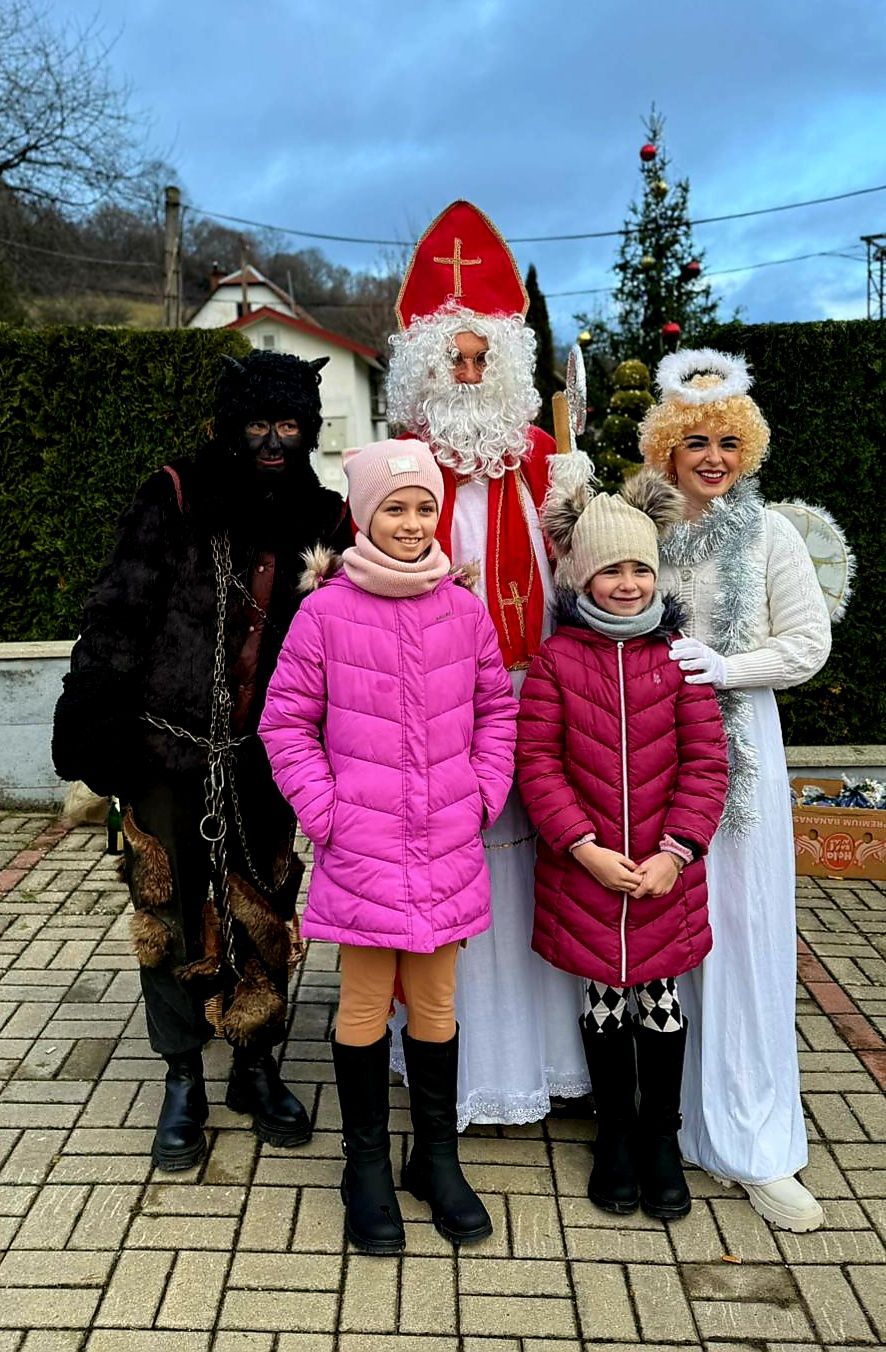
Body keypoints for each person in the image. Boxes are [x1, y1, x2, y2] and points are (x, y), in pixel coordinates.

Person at [52, 350, 351, 1171]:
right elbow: (118, 608)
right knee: (167, 910)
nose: (273, 442)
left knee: (265, 905)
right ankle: (182, 1074)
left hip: (269, 756)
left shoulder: (326, 520)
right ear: (227, 426)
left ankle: (254, 1061)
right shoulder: (175, 494)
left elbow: (357, 632)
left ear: (308, 428)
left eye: (288, 425)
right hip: (163, 745)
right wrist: (93, 715)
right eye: (257, 425)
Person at [259, 440, 517, 1253]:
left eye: (424, 507)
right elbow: (285, 722)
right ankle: (364, 1165)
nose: (411, 523)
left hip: (446, 844)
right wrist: (327, 813)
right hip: (362, 849)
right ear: (363, 516)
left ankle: (435, 1160)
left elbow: (496, 711)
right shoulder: (325, 613)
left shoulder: (463, 610)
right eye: (394, 508)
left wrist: (482, 794)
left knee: (436, 1005)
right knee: (365, 1005)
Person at [385, 199, 591, 1128]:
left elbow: (594, 578)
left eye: (481, 360)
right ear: (424, 371)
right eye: (453, 361)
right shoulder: (400, 470)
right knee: (452, 874)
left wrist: (585, 512)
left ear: (504, 366)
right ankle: (460, 1070)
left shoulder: (546, 458)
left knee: (541, 869)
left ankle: (549, 1061)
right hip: (438, 710)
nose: (468, 375)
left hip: (539, 700)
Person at [638, 347, 832, 1232]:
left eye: (726, 442)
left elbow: (807, 644)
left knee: (744, 931)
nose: (711, 458)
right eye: (695, 442)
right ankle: (660, 1119)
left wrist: (728, 668)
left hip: (742, 747)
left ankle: (753, 1138)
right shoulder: (644, 529)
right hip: (654, 753)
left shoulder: (770, 535)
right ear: (667, 449)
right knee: (661, 931)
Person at [517, 464, 728, 1219]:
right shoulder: (557, 661)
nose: (628, 584)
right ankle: (614, 1132)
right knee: (604, 994)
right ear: (582, 575)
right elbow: (537, 763)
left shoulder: (680, 659)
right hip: (588, 870)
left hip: (665, 873)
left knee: (661, 998)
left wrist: (677, 852)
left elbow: (706, 764)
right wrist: (583, 847)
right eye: (611, 570)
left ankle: (660, 1136)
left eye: (640, 568)